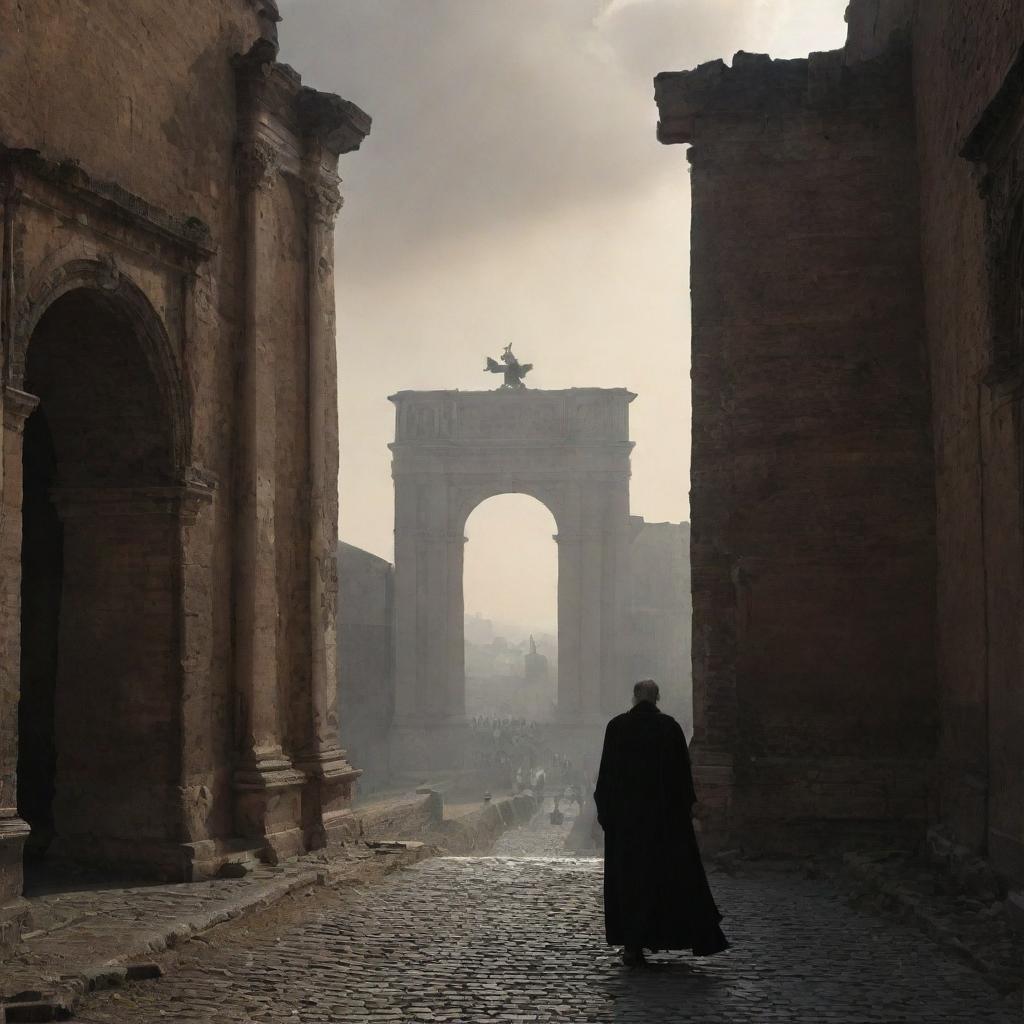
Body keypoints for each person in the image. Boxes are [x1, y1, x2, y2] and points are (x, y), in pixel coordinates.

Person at [594, 679, 729, 967]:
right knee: (663, 880)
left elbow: (606, 779)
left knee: (630, 885)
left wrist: (607, 817)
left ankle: (633, 947)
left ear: (634, 697)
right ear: (657, 698)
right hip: (663, 824)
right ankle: (664, 936)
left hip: (628, 825)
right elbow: (683, 782)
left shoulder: (616, 728)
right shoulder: (670, 728)